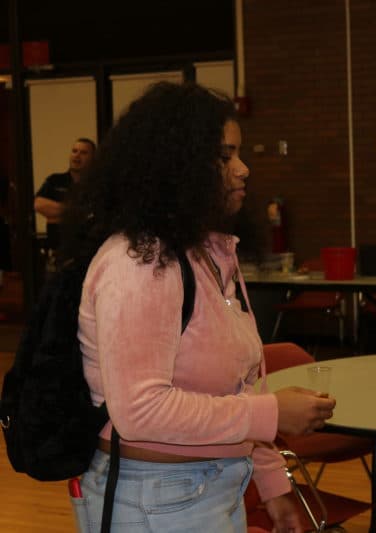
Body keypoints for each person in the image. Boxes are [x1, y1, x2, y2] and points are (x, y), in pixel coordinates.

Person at [60, 81, 336, 533]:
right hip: (155, 497)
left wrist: (271, 481)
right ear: (177, 164)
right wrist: (273, 415)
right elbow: (141, 410)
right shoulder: (141, 262)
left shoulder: (208, 253)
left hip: (210, 486)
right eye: (225, 157)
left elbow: (237, 383)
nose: (243, 169)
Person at [33, 137, 95, 252]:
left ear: (93, 158)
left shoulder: (96, 185)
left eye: (83, 153)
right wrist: (77, 212)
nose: (77, 155)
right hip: (57, 251)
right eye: (74, 151)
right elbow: (39, 205)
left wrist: (56, 214)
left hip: (87, 252)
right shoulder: (55, 180)